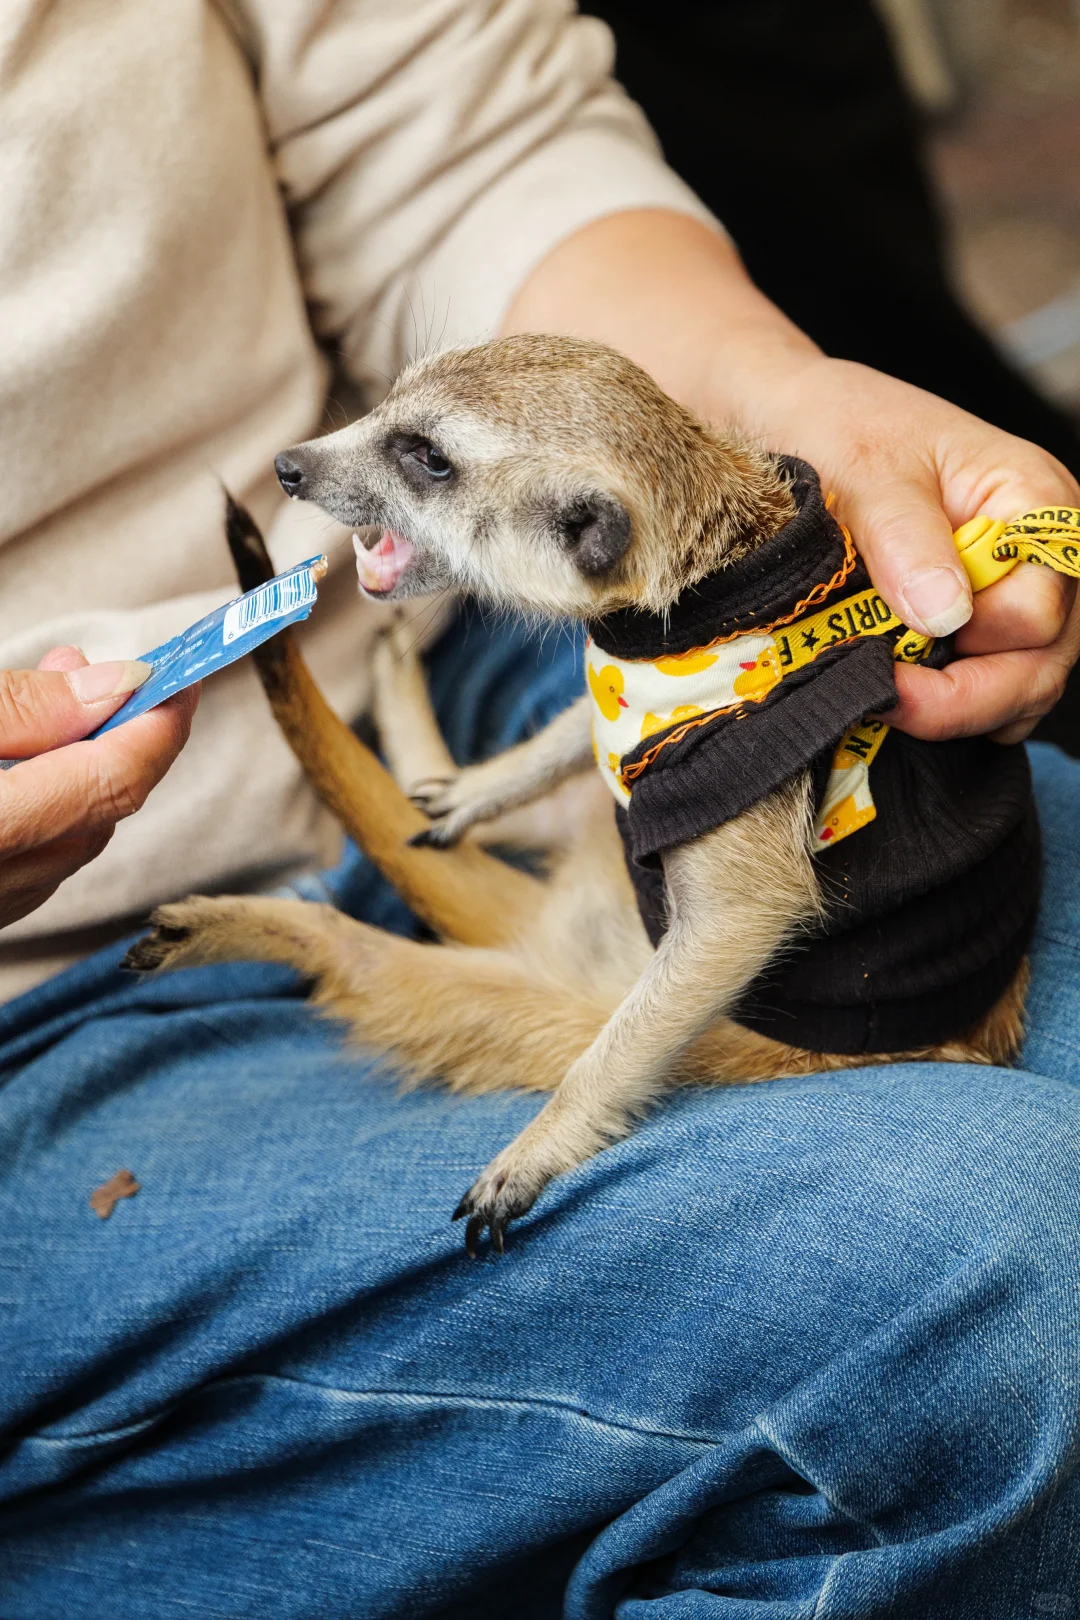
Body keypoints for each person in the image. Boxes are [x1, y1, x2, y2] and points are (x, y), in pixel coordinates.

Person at [1, 3, 1079, 1613]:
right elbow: (733, 926)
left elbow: (449, 130)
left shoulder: (592, 582)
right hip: (48, 1012)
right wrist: (577, 1121)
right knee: (1000, 1290)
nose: (320, 466)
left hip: (476, 643)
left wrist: (775, 400)